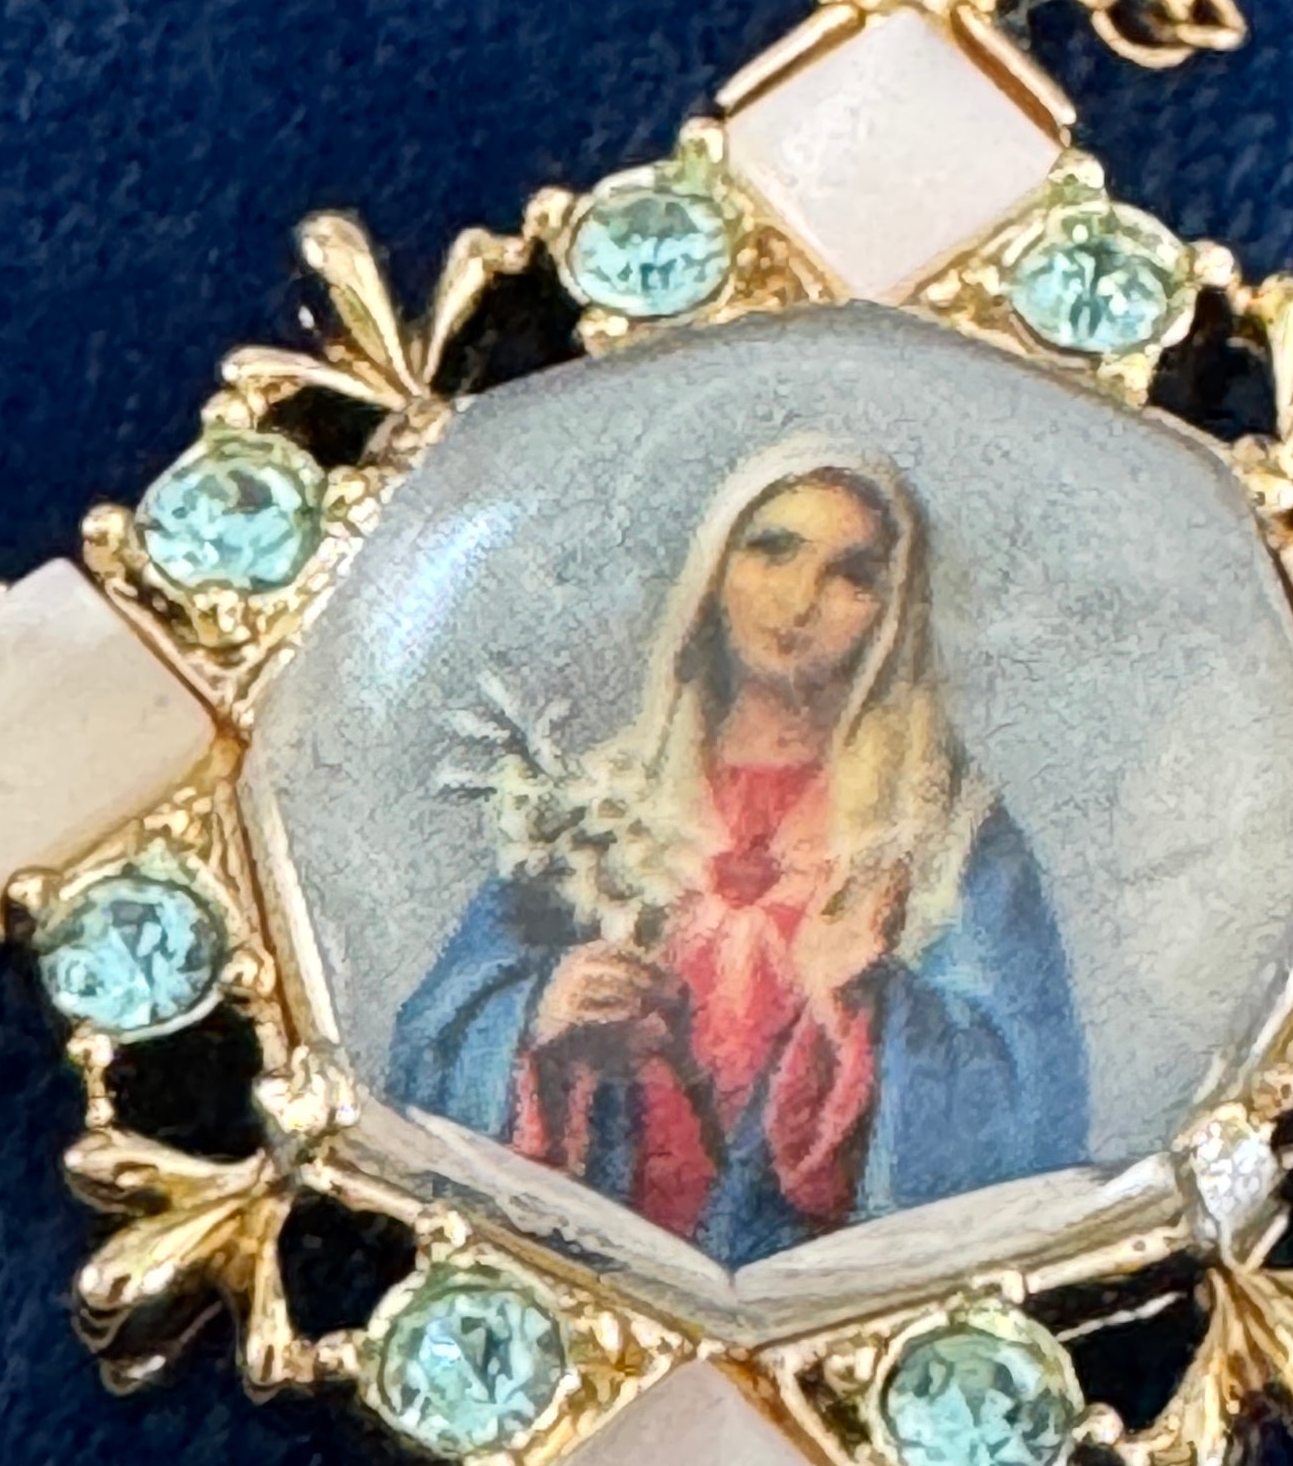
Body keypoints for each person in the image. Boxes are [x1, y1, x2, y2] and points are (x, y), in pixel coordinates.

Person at [387, 436, 1088, 1269]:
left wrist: (871, 1009)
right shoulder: (597, 803)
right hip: (598, 1274)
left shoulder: (946, 829)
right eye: (773, 549)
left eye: (852, 574)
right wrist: (541, 1014)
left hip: (819, 1294)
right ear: (714, 568)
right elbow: (424, 1053)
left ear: (893, 611)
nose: (800, 599)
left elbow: (1035, 1113)